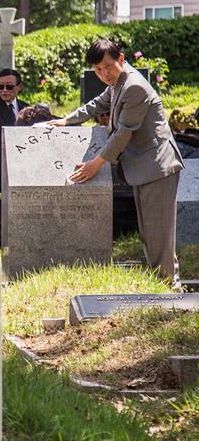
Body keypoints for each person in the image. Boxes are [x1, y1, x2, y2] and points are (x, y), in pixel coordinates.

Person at [47, 39, 184, 285]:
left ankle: (169, 289)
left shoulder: (134, 87)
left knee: (159, 234)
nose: (104, 74)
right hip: (144, 167)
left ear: (121, 59)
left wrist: (96, 164)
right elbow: (98, 104)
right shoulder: (118, 82)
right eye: (98, 70)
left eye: (108, 66)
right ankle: (160, 285)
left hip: (158, 166)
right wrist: (66, 120)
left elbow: (124, 132)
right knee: (150, 232)